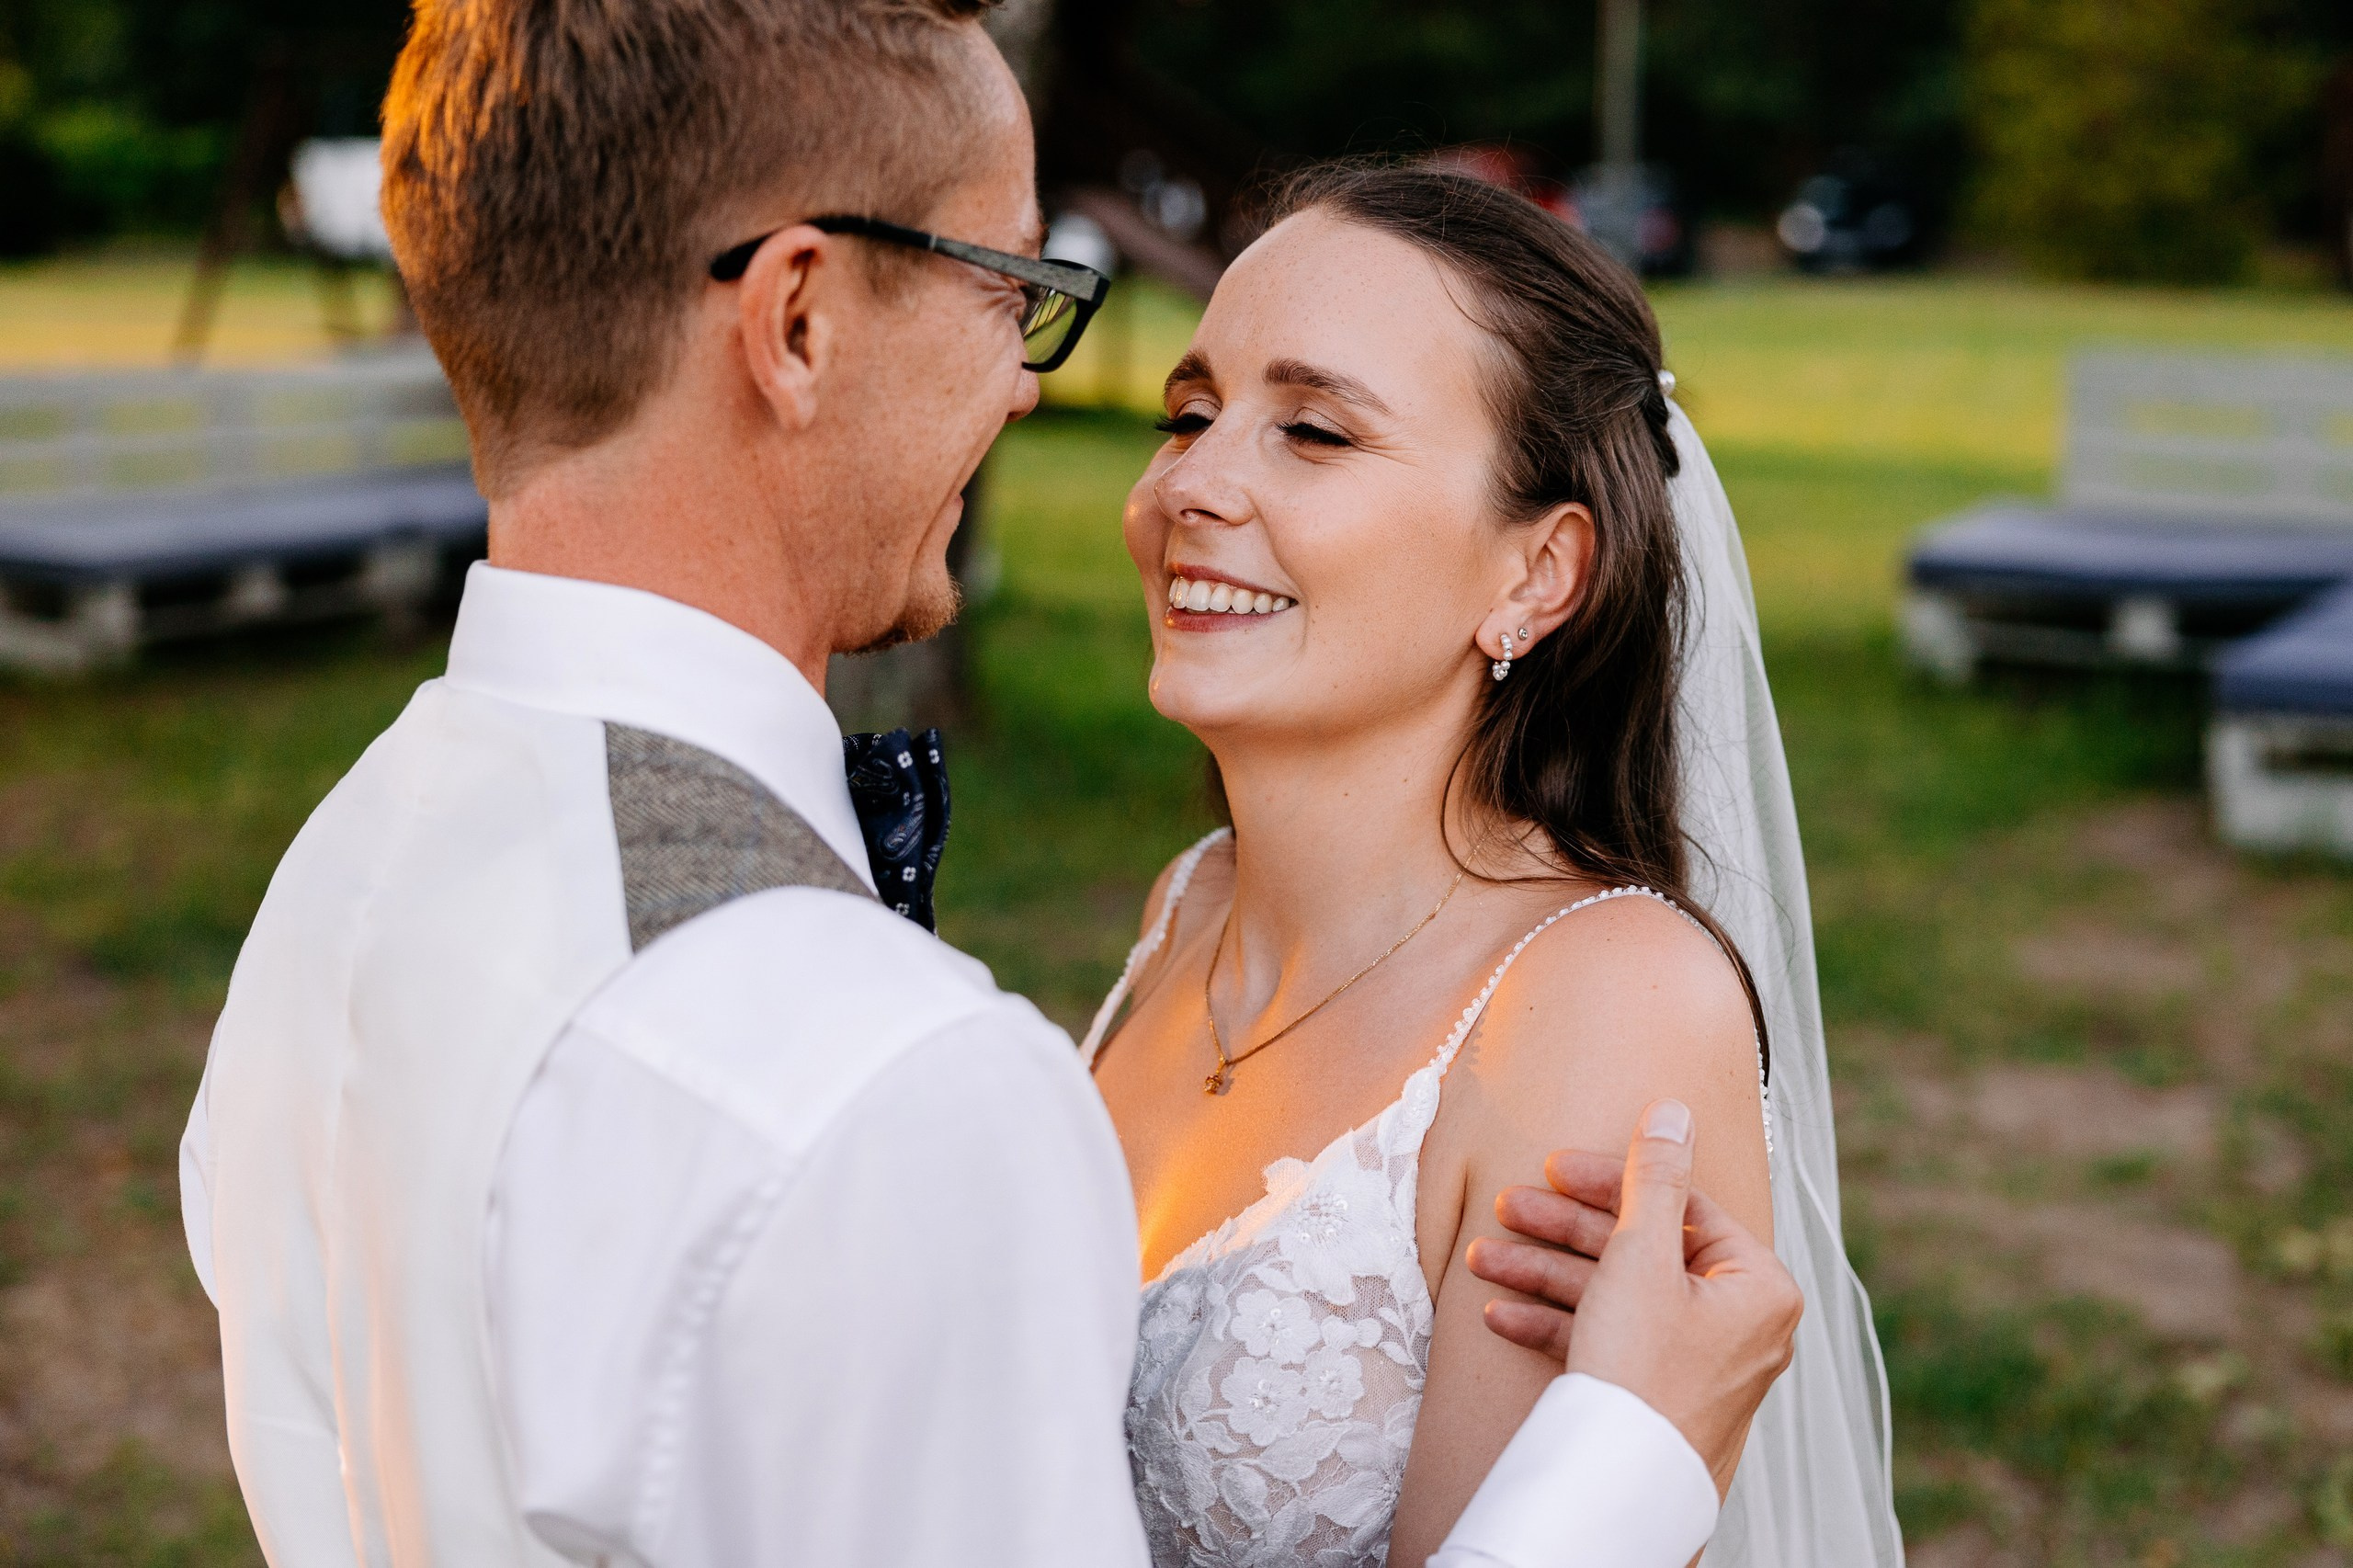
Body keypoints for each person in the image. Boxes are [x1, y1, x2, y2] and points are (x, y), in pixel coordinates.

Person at [175, 2, 1803, 1564]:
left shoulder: (356, 872)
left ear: (1543, 570)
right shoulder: (891, 1076)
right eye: (1003, 289)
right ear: (798, 320)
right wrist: (1628, 1464)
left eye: (1313, 432)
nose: (1158, 469)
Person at [1084, 165, 1904, 1566]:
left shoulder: (1602, 1006)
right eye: (1191, 413)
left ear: (1539, 574)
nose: (1190, 485)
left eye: (1316, 431)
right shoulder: (1190, 904)